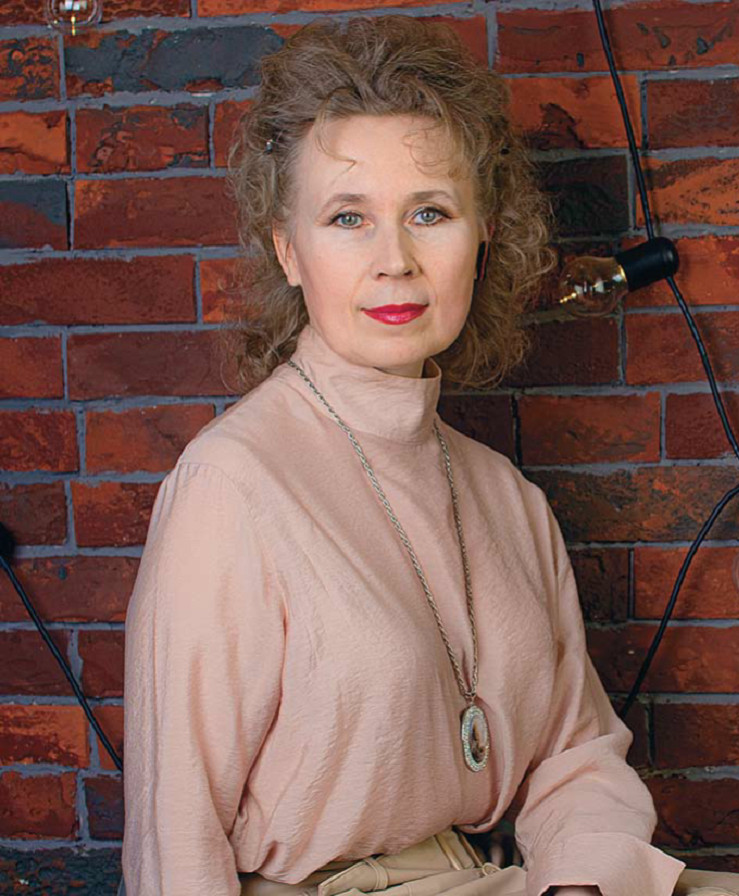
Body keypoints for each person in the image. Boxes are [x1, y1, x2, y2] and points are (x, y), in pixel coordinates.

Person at [120, 15, 689, 896]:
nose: (395, 260)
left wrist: (583, 881)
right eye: (348, 218)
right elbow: (176, 833)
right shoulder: (229, 487)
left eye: (430, 212)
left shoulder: (505, 496)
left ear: (483, 235)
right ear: (288, 250)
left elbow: (575, 758)